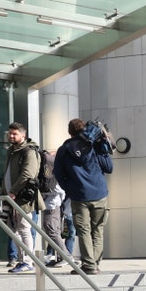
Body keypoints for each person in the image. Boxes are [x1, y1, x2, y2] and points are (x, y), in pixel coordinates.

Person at [53, 118, 113, 275]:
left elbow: (58, 173)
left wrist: (70, 189)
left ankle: (89, 265)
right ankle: (95, 263)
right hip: (100, 194)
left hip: (79, 196)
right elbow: (109, 167)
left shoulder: (64, 149)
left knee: (84, 230)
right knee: (98, 229)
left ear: (70, 132)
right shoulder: (95, 145)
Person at [1, 123, 43, 274]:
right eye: (10, 133)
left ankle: (27, 261)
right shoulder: (12, 151)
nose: (11, 136)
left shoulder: (28, 151)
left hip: (23, 197)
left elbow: (28, 174)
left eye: (15, 134)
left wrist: (13, 191)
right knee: (14, 229)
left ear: (23, 135)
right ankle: (22, 260)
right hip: (12, 197)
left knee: (24, 228)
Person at [40, 150, 68, 266]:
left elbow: (52, 187)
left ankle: (66, 256)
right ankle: (62, 256)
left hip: (52, 201)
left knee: (50, 228)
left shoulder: (52, 168)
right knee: (53, 229)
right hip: (53, 200)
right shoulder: (56, 166)